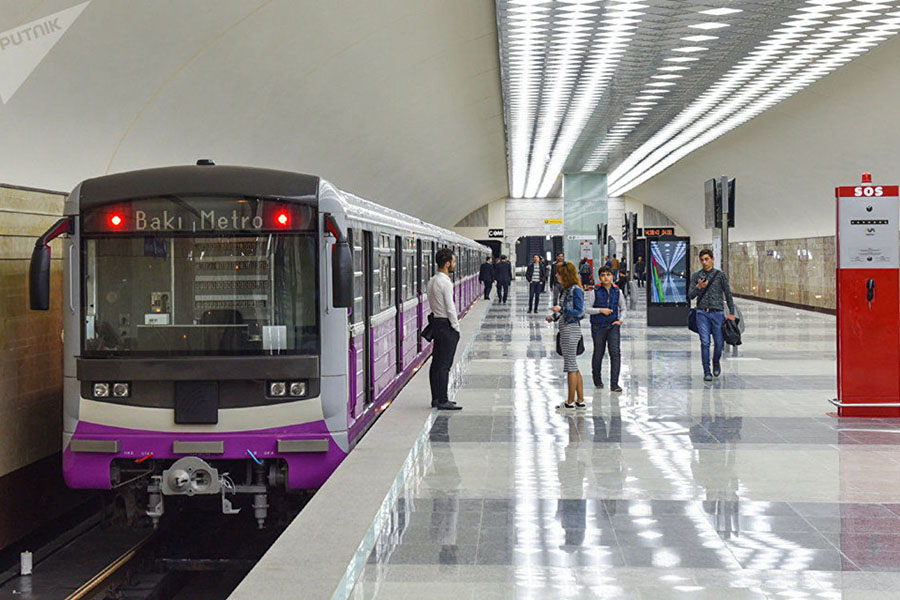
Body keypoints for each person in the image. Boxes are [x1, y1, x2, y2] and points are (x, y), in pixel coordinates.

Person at [688, 249, 737, 382]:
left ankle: (716, 361)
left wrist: (731, 313)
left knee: (719, 342)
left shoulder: (720, 275)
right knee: (705, 342)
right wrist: (698, 287)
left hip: (717, 313)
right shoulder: (696, 276)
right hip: (702, 313)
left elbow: (728, 294)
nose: (705, 262)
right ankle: (707, 371)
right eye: (702, 260)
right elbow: (690, 296)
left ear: (712, 259)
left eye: (707, 259)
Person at [426, 248, 463, 410]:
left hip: (436, 323)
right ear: (447, 263)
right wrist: (456, 327)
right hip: (446, 325)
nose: (454, 264)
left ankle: (435, 398)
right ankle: (443, 399)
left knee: (436, 363)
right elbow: (450, 307)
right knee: (444, 365)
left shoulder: (432, 280)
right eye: (453, 262)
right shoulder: (445, 282)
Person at [548, 262, 585, 411]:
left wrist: (561, 308)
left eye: (559, 273)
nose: (556, 275)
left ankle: (570, 403)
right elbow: (564, 311)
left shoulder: (576, 290)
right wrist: (554, 316)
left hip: (571, 331)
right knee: (574, 367)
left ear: (565, 274)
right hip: (565, 329)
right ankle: (580, 400)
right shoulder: (566, 290)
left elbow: (580, 312)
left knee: (570, 366)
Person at [585, 266, 626, 392]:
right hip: (598, 327)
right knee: (599, 352)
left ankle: (614, 383)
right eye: (603, 275)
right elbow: (587, 309)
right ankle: (597, 379)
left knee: (615, 353)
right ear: (600, 277)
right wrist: (600, 310)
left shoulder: (617, 291)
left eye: (608, 275)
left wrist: (620, 320)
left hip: (613, 326)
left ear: (613, 276)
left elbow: (623, 307)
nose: (606, 277)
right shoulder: (595, 291)